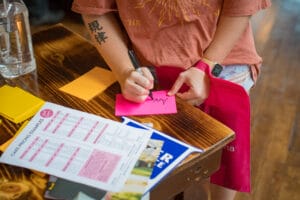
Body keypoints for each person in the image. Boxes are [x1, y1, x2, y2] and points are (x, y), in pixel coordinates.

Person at [71, 1, 271, 200]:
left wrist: (207, 66)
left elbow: (241, 7)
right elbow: (95, 10)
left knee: (227, 156)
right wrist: (124, 72)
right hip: (150, 69)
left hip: (224, 61)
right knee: (153, 163)